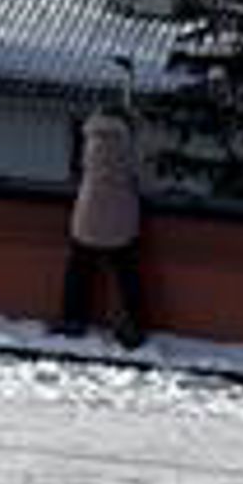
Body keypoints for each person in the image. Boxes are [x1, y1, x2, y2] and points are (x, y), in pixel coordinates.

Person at [59, 107, 148, 345]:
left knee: (78, 269)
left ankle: (72, 319)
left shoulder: (90, 137)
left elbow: (80, 168)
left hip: (88, 212)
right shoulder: (129, 143)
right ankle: (133, 324)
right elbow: (140, 173)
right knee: (127, 274)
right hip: (120, 216)